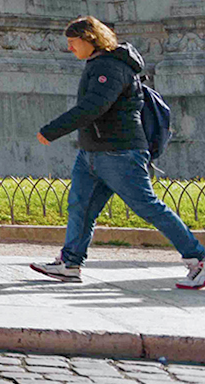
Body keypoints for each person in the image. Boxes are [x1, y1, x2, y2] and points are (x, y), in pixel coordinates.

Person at [31, 16, 205, 288]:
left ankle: (198, 258)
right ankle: (70, 263)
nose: (70, 48)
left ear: (90, 38)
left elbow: (93, 107)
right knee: (81, 208)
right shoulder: (99, 64)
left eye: (73, 42)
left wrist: (51, 130)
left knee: (148, 207)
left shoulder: (110, 67)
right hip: (93, 152)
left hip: (119, 153)